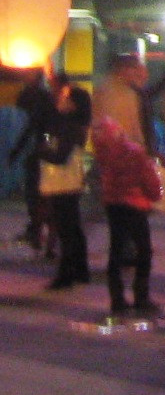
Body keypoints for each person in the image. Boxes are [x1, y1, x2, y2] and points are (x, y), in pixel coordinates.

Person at [91, 114, 162, 317]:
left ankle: (117, 299)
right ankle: (141, 297)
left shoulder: (103, 155)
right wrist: (156, 195)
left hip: (113, 204)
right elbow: (150, 183)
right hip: (135, 205)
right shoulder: (134, 153)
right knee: (144, 251)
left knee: (116, 251)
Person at [41, 80, 92, 291]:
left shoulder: (69, 126)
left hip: (63, 181)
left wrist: (39, 151)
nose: (61, 100)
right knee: (72, 227)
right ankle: (80, 270)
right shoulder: (71, 124)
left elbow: (60, 156)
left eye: (66, 98)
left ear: (74, 104)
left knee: (66, 230)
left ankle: (66, 274)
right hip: (68, 181)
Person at [10, 71, 58, 254]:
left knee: (41, 195)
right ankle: (37, 230)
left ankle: (40, 232)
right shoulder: (29, 95)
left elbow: (37, 126)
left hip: (43, 151)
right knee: (36, 195)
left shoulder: (43, 97)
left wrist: (42, 145)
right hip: (38, 149)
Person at [93, 52, 151, 152]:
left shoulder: (129, 93)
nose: (137, 74)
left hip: (119, 149)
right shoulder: (107, 92)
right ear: (123, 69)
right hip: (117, 150)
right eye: (134, 69)